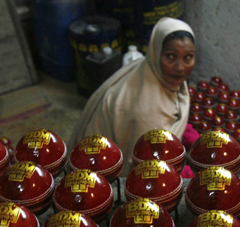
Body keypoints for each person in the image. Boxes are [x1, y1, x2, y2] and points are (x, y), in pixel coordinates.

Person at [69, 17, 197, 175]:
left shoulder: (150, 69)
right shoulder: (147, 110)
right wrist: (191, 174)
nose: (180, 67)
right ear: (156, 53)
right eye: (170, 56)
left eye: (188, 58)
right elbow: (145, 171)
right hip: (101, 173)